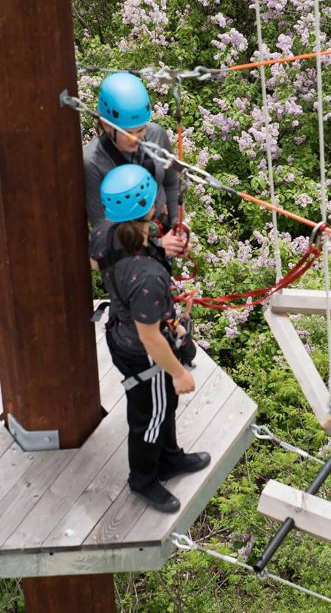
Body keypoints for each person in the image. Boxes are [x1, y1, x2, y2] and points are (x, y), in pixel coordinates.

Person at [89, 164, 210, 513]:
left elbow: (99, 262)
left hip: (122, 332)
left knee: (161, 407)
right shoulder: (147, 278)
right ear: (149, 208)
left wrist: (155, 246)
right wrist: (178, 373)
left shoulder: (105, 231)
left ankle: (169, 458)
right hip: (143, 353)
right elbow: (151, 337)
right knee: (150, 416)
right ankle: (143, 479)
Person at [83, 71, 188, 259]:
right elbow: (102, 229)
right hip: (128, 257)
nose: (137, 138)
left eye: (142, 129)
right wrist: (156, 246)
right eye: (128, 132)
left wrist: (177, 226)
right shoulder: (93, 161)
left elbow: (171, 183)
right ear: (106, 126)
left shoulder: (156, 136)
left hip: (162, 233)